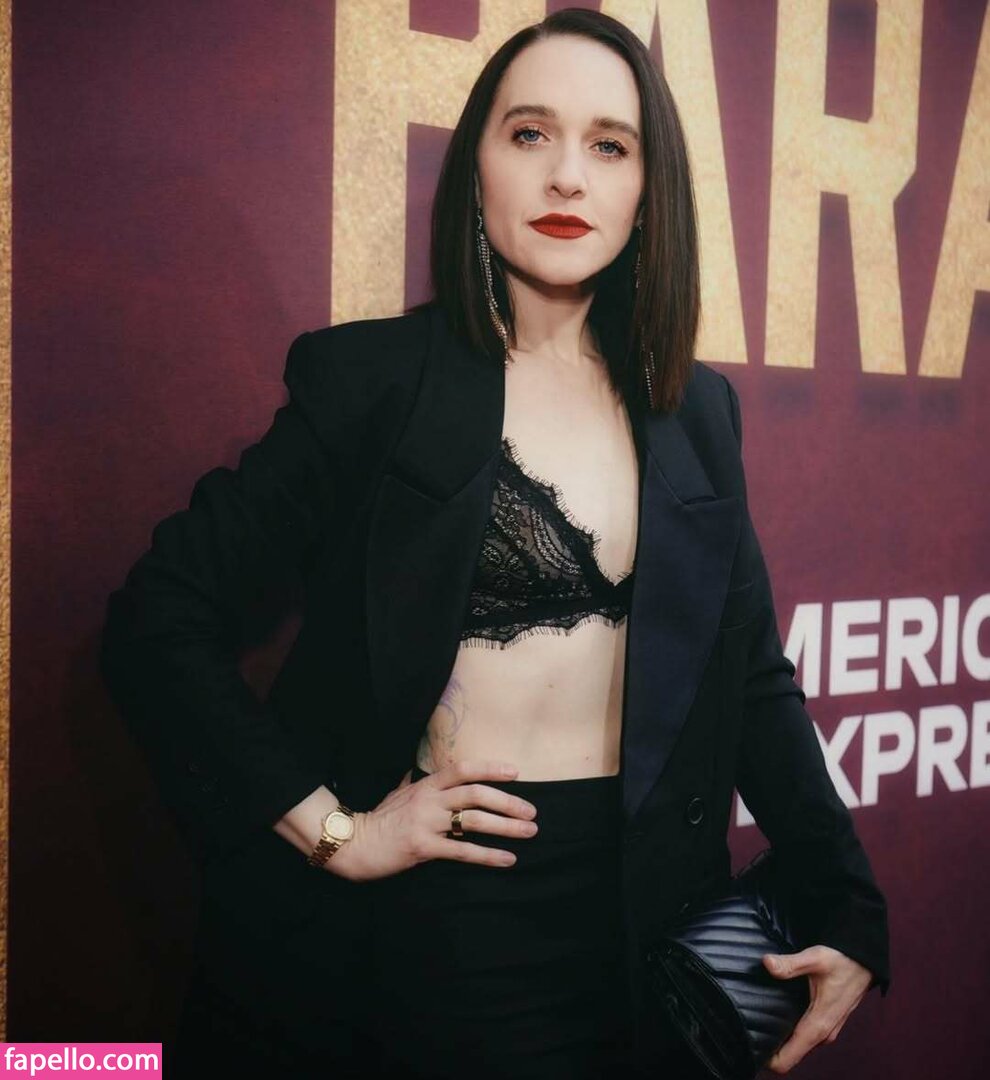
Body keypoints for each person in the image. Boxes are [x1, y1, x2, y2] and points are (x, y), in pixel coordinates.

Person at [100, 8, 890, 1079]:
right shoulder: (373, 382)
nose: (567, 175)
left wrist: (847, 905)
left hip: (649, 935)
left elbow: (749, 675)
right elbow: (159, 620)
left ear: (649, 191)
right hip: (438, 939)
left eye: (609, 146)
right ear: (476, 169)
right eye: (530, 134)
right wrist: (335, 831)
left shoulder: (696, 409)